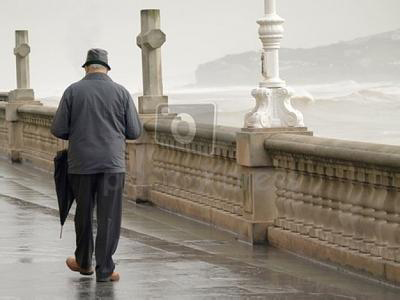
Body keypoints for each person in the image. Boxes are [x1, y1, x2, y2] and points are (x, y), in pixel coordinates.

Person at [51, 48, 142, 282]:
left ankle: (83, 263)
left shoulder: (73, 91)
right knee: (109, 216)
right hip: (112, 165)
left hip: (81, 164)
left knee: (83, 213)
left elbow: (58, 129)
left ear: (86, 68)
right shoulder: (121, 93)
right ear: (107, 68)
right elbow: (134, 131)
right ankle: (105, 269)